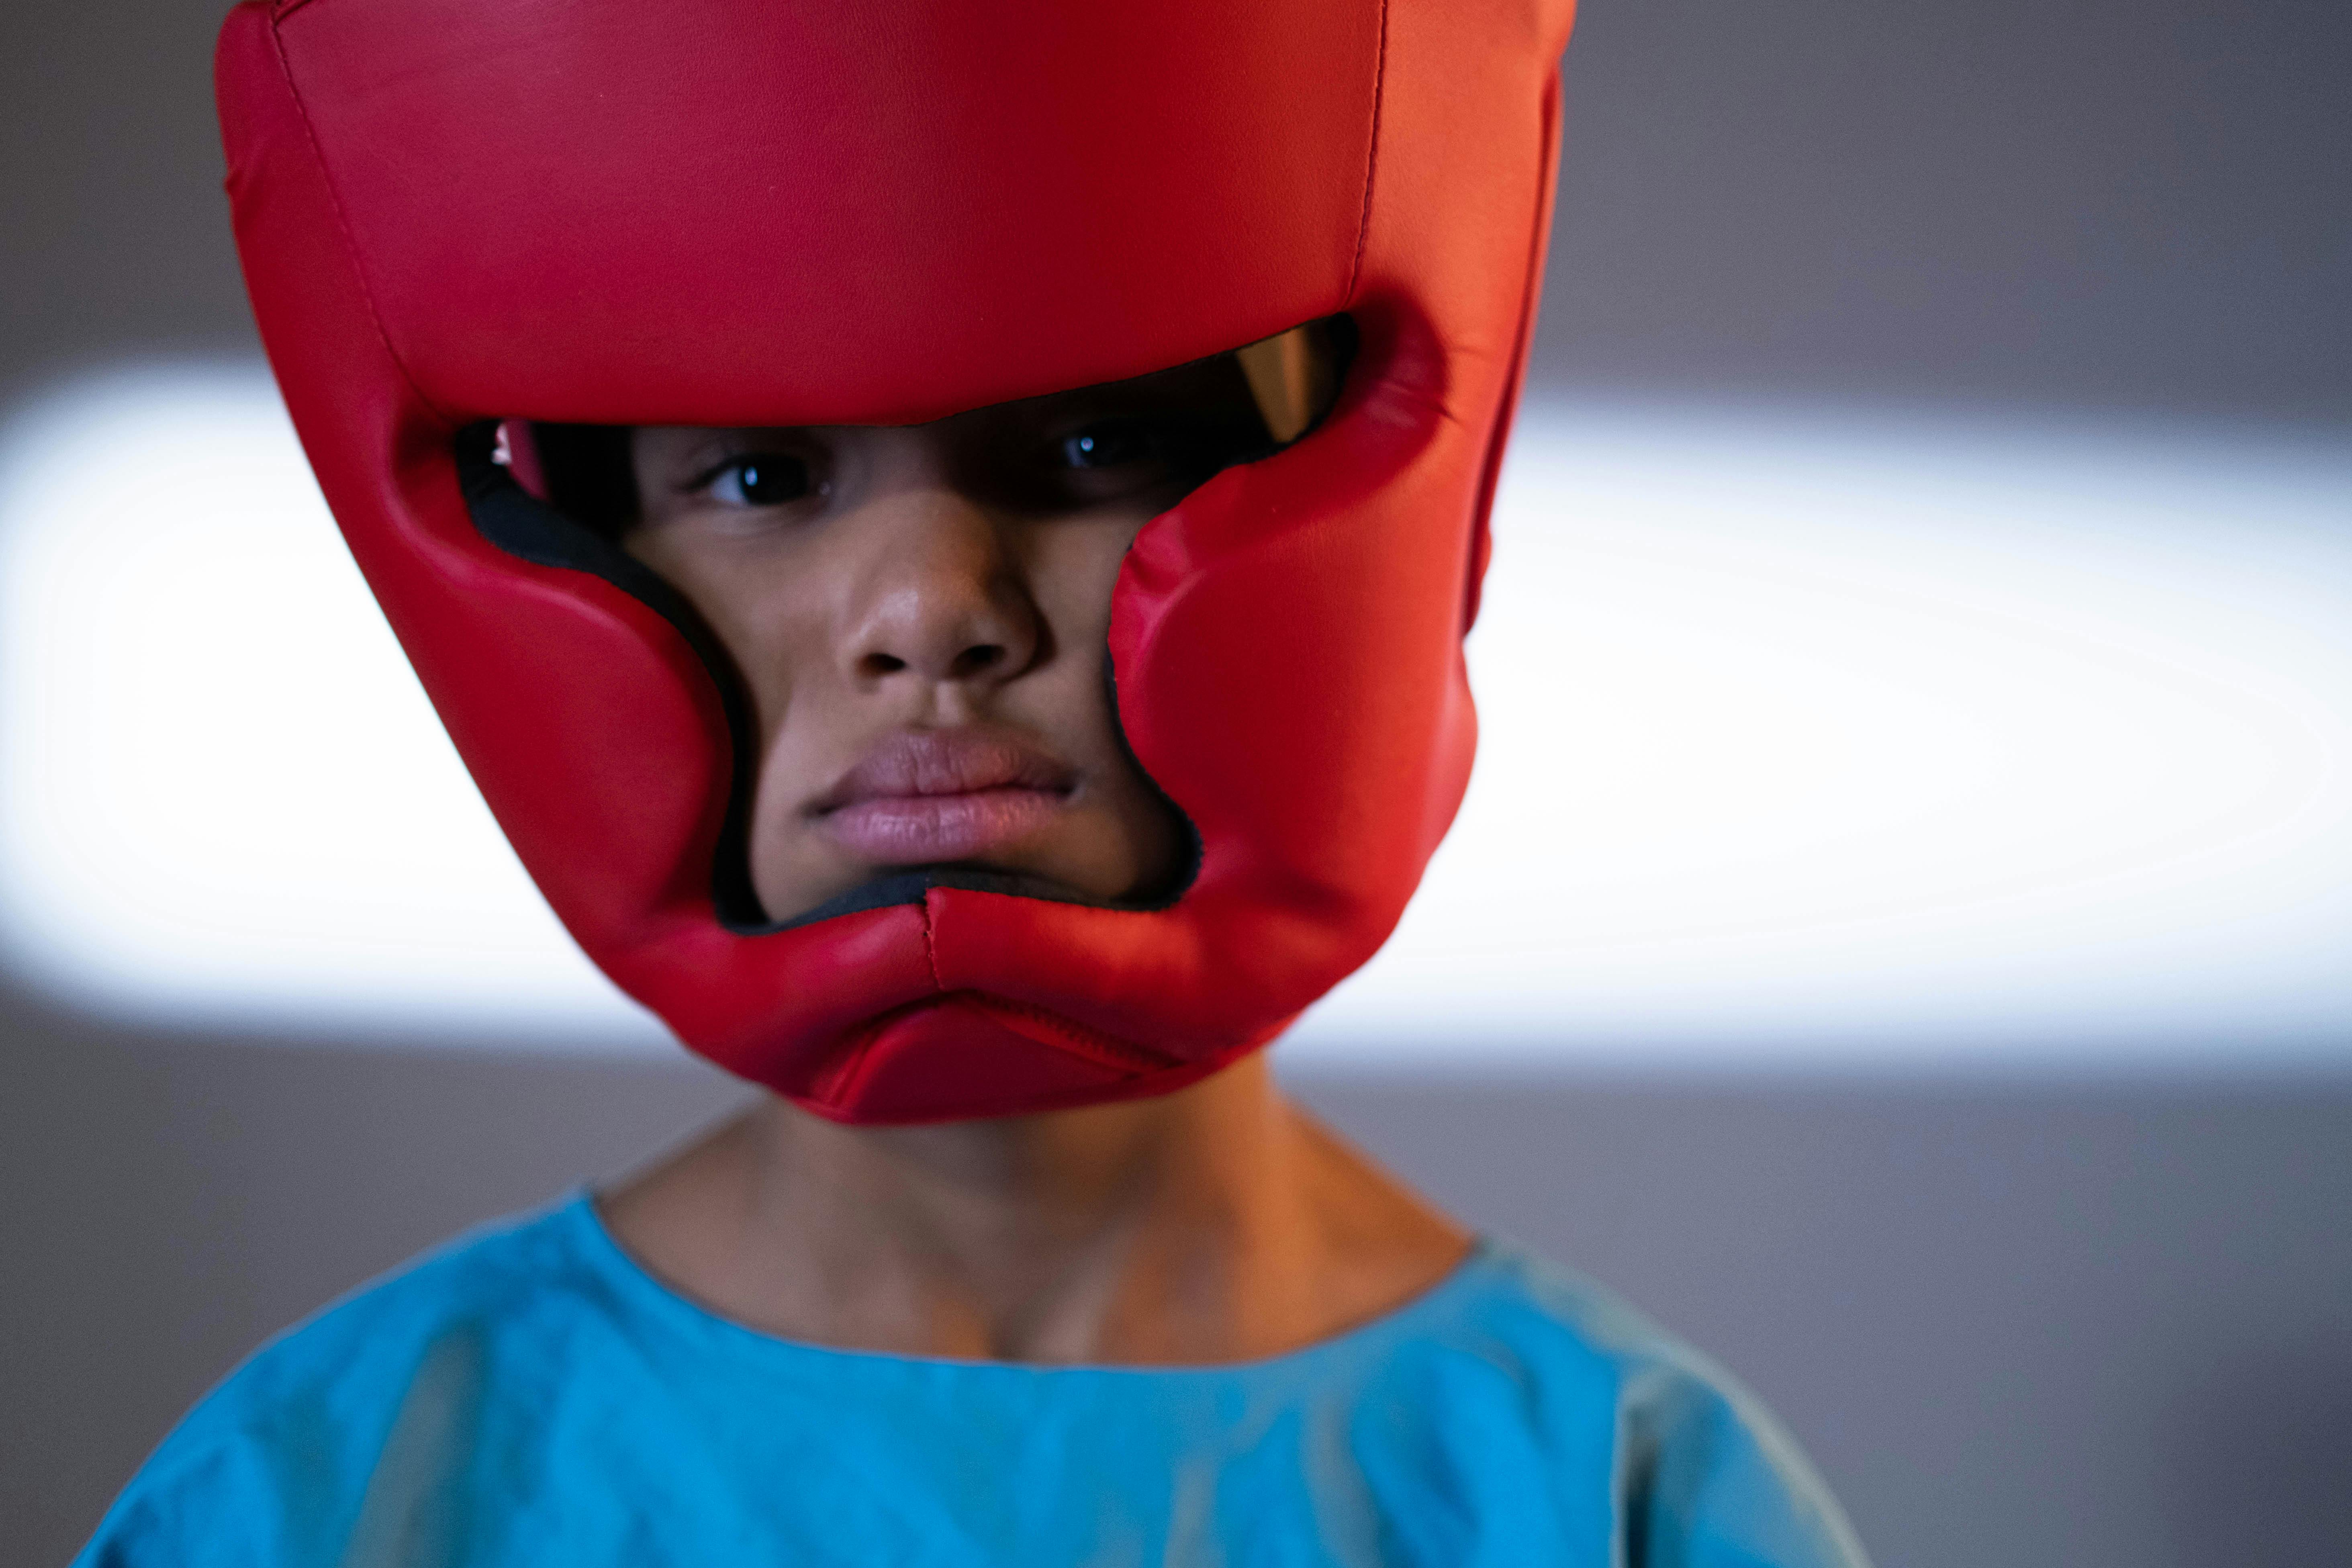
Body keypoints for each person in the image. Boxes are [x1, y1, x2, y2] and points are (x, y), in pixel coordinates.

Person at [77, 0, 1871, 1562]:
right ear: (592, 557)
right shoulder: (319, 1495)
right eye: (764, 479)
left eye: (1096, 445)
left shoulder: (1623, 1494)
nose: (935, 612)